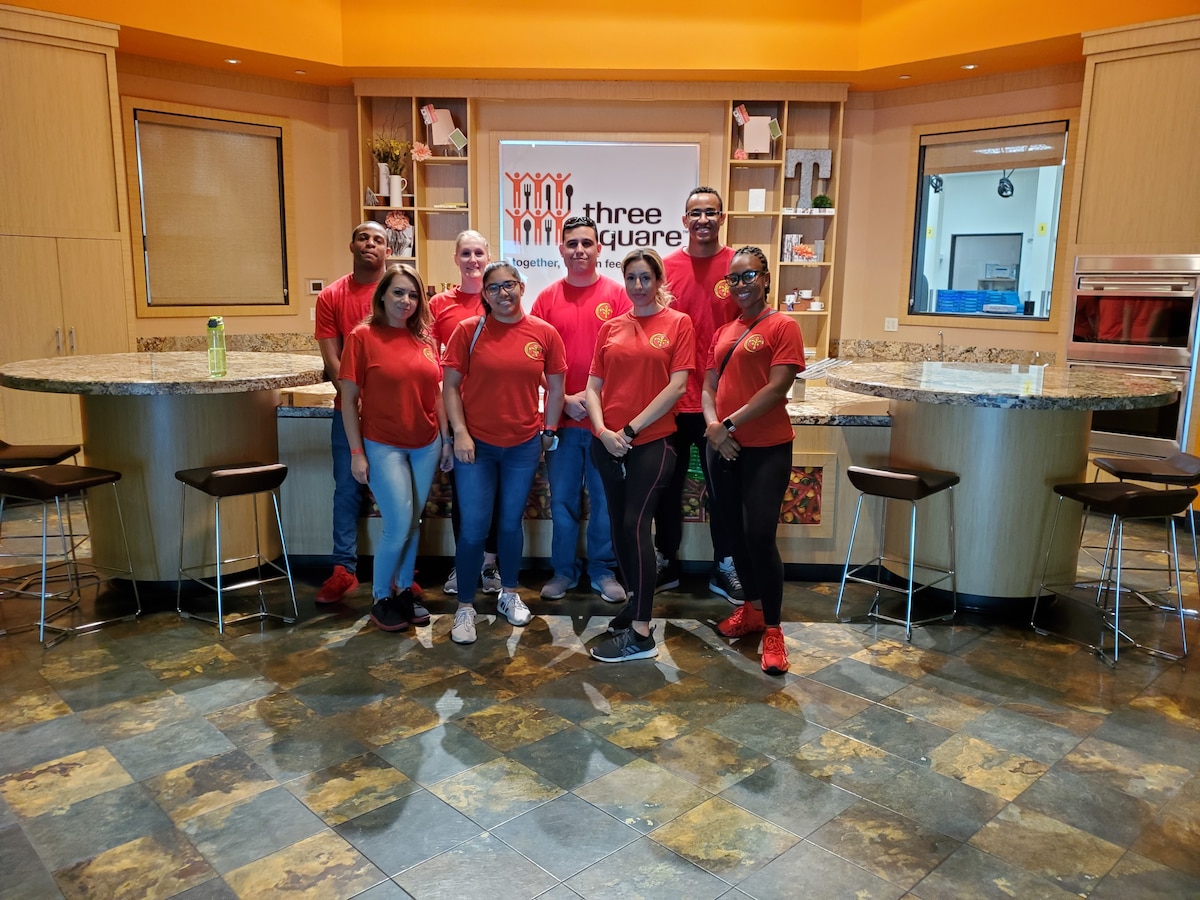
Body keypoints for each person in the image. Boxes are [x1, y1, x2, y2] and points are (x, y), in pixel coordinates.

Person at [442, 261, 567, 644]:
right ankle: (465, 607)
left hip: (522, 446)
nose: (503, 293)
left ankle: (509, 594)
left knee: (511, 524)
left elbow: (557, 387)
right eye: (494, 288)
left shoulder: (543, 333)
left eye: (509, 285)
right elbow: (450, 387)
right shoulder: (469, 330)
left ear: (521, 287)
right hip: (475, 447)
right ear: (485, 294)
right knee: (474, 528)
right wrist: (459, 434)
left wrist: (549, 430)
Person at [587, 249, 694, 663]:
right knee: (618, 526)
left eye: (646, 277)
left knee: (636, 525)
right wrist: (602, 432)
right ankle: (634, 604)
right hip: (608, 442)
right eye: (631, 277)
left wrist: (629, 431)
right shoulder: (611, 327)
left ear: (659, 280)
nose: (638, 285)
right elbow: (593, 386)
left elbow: (677, 386)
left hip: (652, 441)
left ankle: (642, 633)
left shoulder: (678, 323)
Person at [702, 247, 804, 675]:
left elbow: (777, 388)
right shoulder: (724, 331)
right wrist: (713, 426)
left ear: (765, 278)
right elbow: (708, 386)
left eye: (749, 276)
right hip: (723, 447)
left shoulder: (783, 325)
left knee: (759, 536)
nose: (741, 285)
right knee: (734, 536)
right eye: (734, 278)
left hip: (766, 447)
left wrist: (727, 425)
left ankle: (774, 630)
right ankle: (753, 609)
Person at [340, 264, 453, 631]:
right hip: (382, 444)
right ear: (383, 296)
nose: (406, 300)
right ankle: (380, 598)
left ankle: (403, 590)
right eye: (399, 292)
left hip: (426, 444)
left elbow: (436, 395)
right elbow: (348, 400)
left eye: (413, 294)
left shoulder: (425, 340)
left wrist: (445, 440)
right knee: (398, 524)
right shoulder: (362, 337)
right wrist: (357, 453)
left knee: (413, 522)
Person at [531, 215, 630, 604]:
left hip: (605, 424)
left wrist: (594, 403)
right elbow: (533, 360)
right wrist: (563, 399)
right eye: (572, 243)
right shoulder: (546, 300)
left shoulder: (618, 296)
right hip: (563, 422)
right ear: (561, 249)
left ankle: (603, 570)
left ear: (599, 249)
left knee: (605, 501)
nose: (579, 250)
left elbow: (628, 357)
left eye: (586, 243)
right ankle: (563, 571)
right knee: (563, 501)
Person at [655, 186, 745, 604]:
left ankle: (724, 564)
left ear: (722, 218)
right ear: (684, 220)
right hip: (672, 401)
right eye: (696, 213)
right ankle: (665, 560)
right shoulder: (667, 268)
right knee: (665, 487)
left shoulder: (737, 267)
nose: (703, 219)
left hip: (721, 403)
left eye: (711, 212)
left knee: (722, 489)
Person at [313, 221, 387, 603]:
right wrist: (353, 399)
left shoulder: (398, 290)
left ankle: (400, 572)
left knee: (397, 492)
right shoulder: (331, 296)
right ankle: (343, 569)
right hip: (349, 411)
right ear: (352, 245)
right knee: (346, 489)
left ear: (387, 250)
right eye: (363, 238)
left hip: (394, 414)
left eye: (378, 239)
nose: (370, 244)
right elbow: (332, 359)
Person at [430, 230, 502, 597]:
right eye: (466, 254)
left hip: (496, 415)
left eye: (479, 253)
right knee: (464, 497)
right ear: (456, 259)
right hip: (458, 416)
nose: (473, 260)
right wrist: (448, 430)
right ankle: (465, 563)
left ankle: (489, 565)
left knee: (496, 497)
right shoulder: (439, 305)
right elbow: (431, 364)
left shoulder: (502, 299)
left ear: (488, 257)